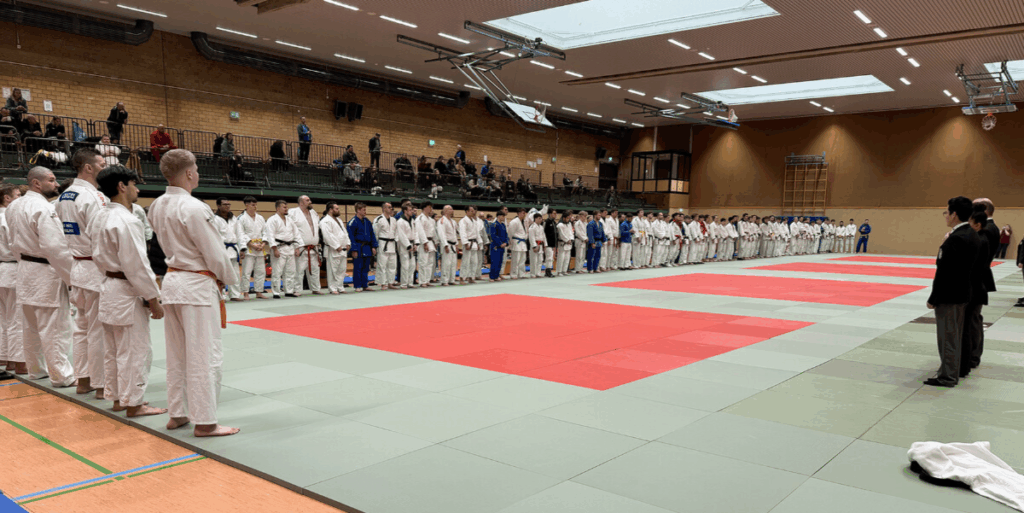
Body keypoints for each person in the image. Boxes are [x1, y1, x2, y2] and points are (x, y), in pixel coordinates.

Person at [148, 149, 239, 436]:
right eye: (196, 169)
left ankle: (178, 413)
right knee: (204, 354)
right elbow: (214, 252)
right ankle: (206, 421)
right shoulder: (194, 207)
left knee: (177, 354)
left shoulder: (156, 205)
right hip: (196, 285)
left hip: (173, 281)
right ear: (189, 173)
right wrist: (229, 278)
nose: (197, 173)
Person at [90, 165, 166, 417]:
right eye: (134, 184)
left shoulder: (100, 216)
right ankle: (134, 403)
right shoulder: (127, 220)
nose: (138, 190)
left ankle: (117, 399)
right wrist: (153, 299)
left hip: (108, 286)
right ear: (122, 186)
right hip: (126, 289)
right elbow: (137, 266)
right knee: (135, 350)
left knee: (113, 349)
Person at [6, 167, 75, 386]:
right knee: (54, 327)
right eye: (52, 180)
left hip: (25, 268)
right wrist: (72, 278)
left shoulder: (14, 206)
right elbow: (55, 248)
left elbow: (12, 243)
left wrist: (24, 261)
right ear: (37, 183)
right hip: (46, 270)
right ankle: (62, 376)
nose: (56, 184)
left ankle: (36, 370)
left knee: (30, 325)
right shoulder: (44, 207)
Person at [55, 148, 110, 397]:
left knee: (81, 327)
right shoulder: (93, 197)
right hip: (95, 267)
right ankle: (100, 384)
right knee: (98, 329)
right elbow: (102, 237)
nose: (105, 168)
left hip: (77, 267)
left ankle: (84, 380)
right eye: (101, 164)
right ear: (88, 167)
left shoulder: (64, 196)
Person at [924, 197, 978, 388]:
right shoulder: (971, 234)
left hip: (949, 295)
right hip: (963, 292)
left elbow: (944, 272)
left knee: (947, 336)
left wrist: (933, 298)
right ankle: (952, 370)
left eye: (946, 212)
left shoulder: (955, 239)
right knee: (955, 335)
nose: (946, 216)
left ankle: (948, 376)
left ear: (954, 214)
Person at [0, 184, 23, 376]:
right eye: (17, 195)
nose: (20, 198)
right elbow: (14, 245)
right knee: (15, 318)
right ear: (7, 198)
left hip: (2, 268)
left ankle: (4, 356)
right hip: (11, 267)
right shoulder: (6, 217)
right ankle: (16, 362)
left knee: (3, 318)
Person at [288, 196, 323, 296]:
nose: (310, 201)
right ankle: (297, 289)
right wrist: (295, 246)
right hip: (301, 247)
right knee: (299, 270)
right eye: (307, 200)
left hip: (313, 247)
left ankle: (316, 288)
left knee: (315, 270)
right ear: (301, 203)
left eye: (310, 200)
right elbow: (290, 230)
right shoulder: (293, 212)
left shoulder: (313, 213)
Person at [266, 200, 299, 298]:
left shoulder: (290, 220)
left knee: (290, 271)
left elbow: (296, 234)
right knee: (277, 272)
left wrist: (297, 247)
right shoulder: (272, 220)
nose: (286, 209)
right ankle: (276, 292)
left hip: (290, 247)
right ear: (278, 208)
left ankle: (289, 291)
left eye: (286, 207)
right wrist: (274, 249)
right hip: (279, 248)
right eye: (284, 207)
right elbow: (270, 235)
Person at [237, 196, 266, 300]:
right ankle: (245, 293)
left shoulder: (260, 218)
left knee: (261, 271)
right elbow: (240, 234)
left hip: (260, 248)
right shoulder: (241, 218)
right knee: (246, 272)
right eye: (253, 205)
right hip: (248, 248)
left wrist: (263, 244)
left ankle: (259, 292)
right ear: (247, 205)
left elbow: (265, 232)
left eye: (256, 205)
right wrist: (250, 244)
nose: (255, 207)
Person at [213, 198, 242, 301]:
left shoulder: (233, 218)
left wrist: (242, 248)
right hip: (222, 248)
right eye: (225, 204)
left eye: (228, 204)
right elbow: (214, 236)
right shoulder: (215, 219)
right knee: (222, 274)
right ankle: (222, 296)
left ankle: (235, 295)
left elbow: (239, 234)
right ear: (219, 206)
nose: (227, 206)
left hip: (233, 248)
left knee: (235, 273)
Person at [319, 201, 350, 294]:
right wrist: (336, 246)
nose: (338, 210)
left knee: (342, 270)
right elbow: (327, 235)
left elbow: (345, 233)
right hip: (333, 249)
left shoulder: (339, 220)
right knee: (333, 270)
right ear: (330, 210)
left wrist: (348, 243)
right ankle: (332, 288)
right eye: (336, 209)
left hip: (343, 248)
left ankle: (340, 287)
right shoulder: (325, 221)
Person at [346, 202, 377, 292]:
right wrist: (354, 249)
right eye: (363, 210)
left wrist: (373, 246)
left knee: (366, 268)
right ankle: (357, 285)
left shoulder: (367, 221)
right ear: (358, 210)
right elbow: (350, 237)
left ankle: (365, 285)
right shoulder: (352, 222)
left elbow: (372, 234)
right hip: (358, 246)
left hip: (367, 247)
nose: (365, 212)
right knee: (358, 267)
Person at [373, 203, 398, 290]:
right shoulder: (378, 219)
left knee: (392, 265)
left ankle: (390, 282)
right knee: (382, 265)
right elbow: (375, 233)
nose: (391, 209)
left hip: (392, 244)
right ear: (384, 208)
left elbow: (396, 233)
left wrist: (396, 242)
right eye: (389, 207)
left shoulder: (394, 220)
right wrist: (375, 245)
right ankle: (383, 283)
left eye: (391, 207)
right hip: (382, 244)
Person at [395, 204, 417, 289]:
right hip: (404, 245)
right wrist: (408, 245)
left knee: (412, 265)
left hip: (412, 243)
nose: (412, 211)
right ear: (405, 211)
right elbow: (401, 235)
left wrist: (415, 244)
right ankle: (404, 283)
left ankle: (410, 282)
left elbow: (415, 232)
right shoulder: (400, 221)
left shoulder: (412, 220)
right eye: (410, 210)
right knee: (405, 265)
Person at [414, 202, 437, 287]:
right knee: (423, 262)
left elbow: (434, 232)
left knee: (430, 263)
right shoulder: (420, 218)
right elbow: (420, 231)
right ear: (424, 208)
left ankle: (427, 280)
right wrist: (425, 243)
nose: (431, 209)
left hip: (431, 242)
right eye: (429, 207)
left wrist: (436, 242)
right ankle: (422, 281)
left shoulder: (431, 220)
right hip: (423, 242)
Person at [435, 205, 458, 285]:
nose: (452, 210)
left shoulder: (453, 221)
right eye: (450, 209)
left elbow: (454, 234)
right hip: (447, 244)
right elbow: (441, 234)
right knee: (446, 263)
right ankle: (444, 280)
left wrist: (456, 244)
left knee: (453, 263)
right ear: (445, 211)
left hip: (453, 244)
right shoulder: (442, 221)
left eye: (452, 209)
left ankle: (452, 279)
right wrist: (445, 245)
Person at [459, 206, 482, 283]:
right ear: (467, 211)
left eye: (474, 211)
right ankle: (462, 278)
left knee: (474, 262)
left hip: (474, 243)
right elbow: (463, 233)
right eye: (471, 211)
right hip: (468, 243)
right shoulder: (463, 221)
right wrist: (465, 243)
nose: (473, 212)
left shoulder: (474, 221)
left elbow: (477, 233)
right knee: (465, 262)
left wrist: (479, 243)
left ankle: (471, 277)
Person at [508, 208, 530, 279]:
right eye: (523, 213)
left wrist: (526, 237)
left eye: (524, 213)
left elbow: (526, 232)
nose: (524, 214)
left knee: (522, 260)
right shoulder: (514, 222)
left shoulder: (524, 222)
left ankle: (521, 274)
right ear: (518, 213)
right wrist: (511, 242)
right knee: (515, 260)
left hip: (523, 243)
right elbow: (510, 233)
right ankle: (513, 274)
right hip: (516, 242)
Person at [488, 211, 509, 281]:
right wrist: (500, 243)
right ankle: (492, 276)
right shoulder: (494, 225)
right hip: (495, 246)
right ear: (499, 216)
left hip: (502, 246)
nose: (504, 217)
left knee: (500, 261)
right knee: (494, 261)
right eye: (503, 216)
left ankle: (496, 276)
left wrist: (506, 243)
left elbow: (506, 235)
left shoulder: (503, 225)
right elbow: (493, 236)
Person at [527, 214, 546, 278]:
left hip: (540, 245)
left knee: (540, 260)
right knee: (534, 260)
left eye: (541, 218)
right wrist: (534, 246)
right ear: (535, 219)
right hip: (535, 244)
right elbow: (531, 237)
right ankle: (533, 273)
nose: (541, 220)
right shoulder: (532, 227)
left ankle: (538, 273)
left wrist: (545, 245)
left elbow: (543, 236)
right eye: (539, 218)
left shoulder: (541, 227)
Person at [542, 209, 558, 277]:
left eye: (555, 213)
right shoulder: (547, 222)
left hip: (553, 243)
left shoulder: (554, 222)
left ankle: (548, 271)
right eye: (554, 213)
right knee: (549, 258)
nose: (555, 215)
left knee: (551, 258)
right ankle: (548, 271)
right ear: (550, 214)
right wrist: (544, 243)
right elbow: (543, 233)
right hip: (548, 243)